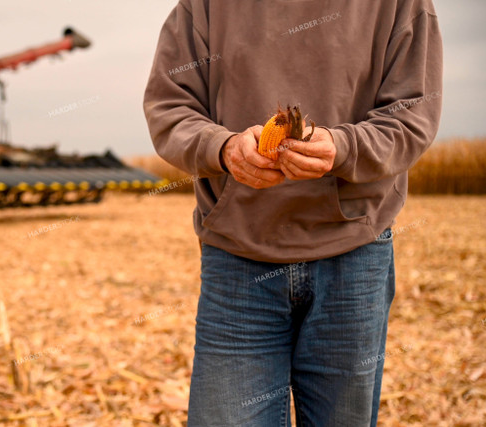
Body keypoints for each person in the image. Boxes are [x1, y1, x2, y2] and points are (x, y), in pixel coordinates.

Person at [143, 1, 442, 425]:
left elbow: (413, 114)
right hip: (239, 257)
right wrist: (224, 149)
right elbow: (170, 107)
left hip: (354, 253)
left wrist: (344, 147)